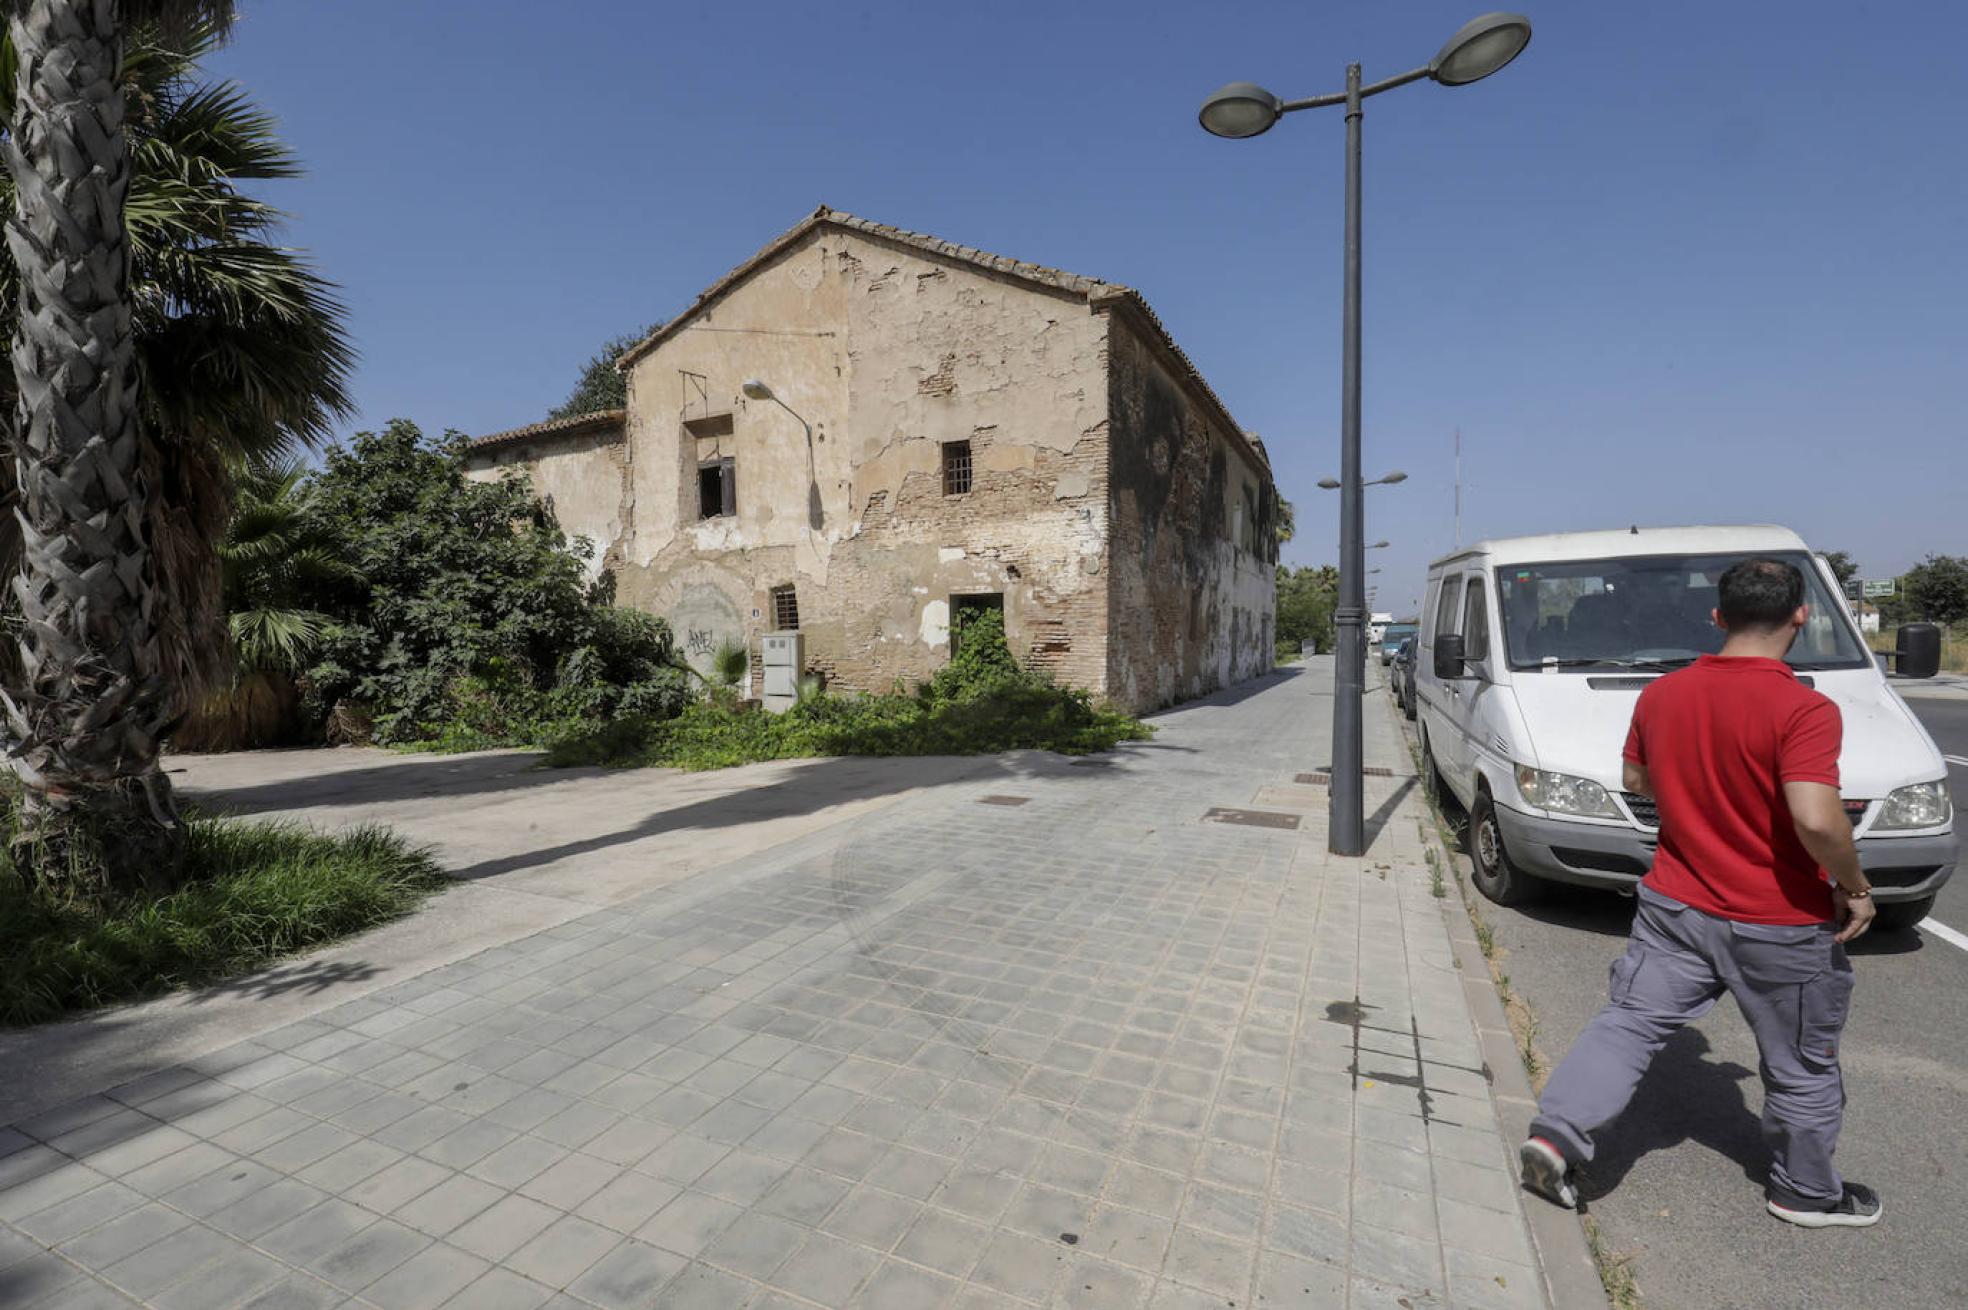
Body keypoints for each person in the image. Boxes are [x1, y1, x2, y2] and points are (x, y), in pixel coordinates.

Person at [1518, 557, 1880, 1228]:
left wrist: (1694, 796)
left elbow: (1635, 779)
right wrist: (1855, 887)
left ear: (1718, 618)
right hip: (1779, 922)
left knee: (1627, 1024)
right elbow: (1815, 818)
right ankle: (1805, 1192)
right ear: (1802, 615)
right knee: (1801, 1062)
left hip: (1674, 907)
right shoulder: (1804, 708)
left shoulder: (1662, 695)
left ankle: (1556, 1137)